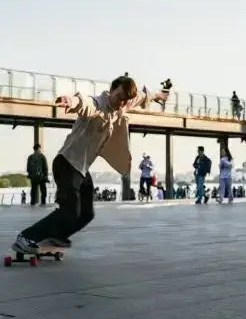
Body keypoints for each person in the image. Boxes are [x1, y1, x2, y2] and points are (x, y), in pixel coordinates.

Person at [13, 75, 168, 255]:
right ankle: (26, 237)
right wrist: (71, 101)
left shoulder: (123, 104)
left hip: (81, 169)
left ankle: (56, 235)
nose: (121, 103)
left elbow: (141, 96)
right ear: (111, 91)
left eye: (125, 101)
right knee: (71, 211)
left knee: (87, 213)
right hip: (66, 163)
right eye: (118, 97)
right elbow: (85, 103)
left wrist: (158, 95)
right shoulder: (98, 104)